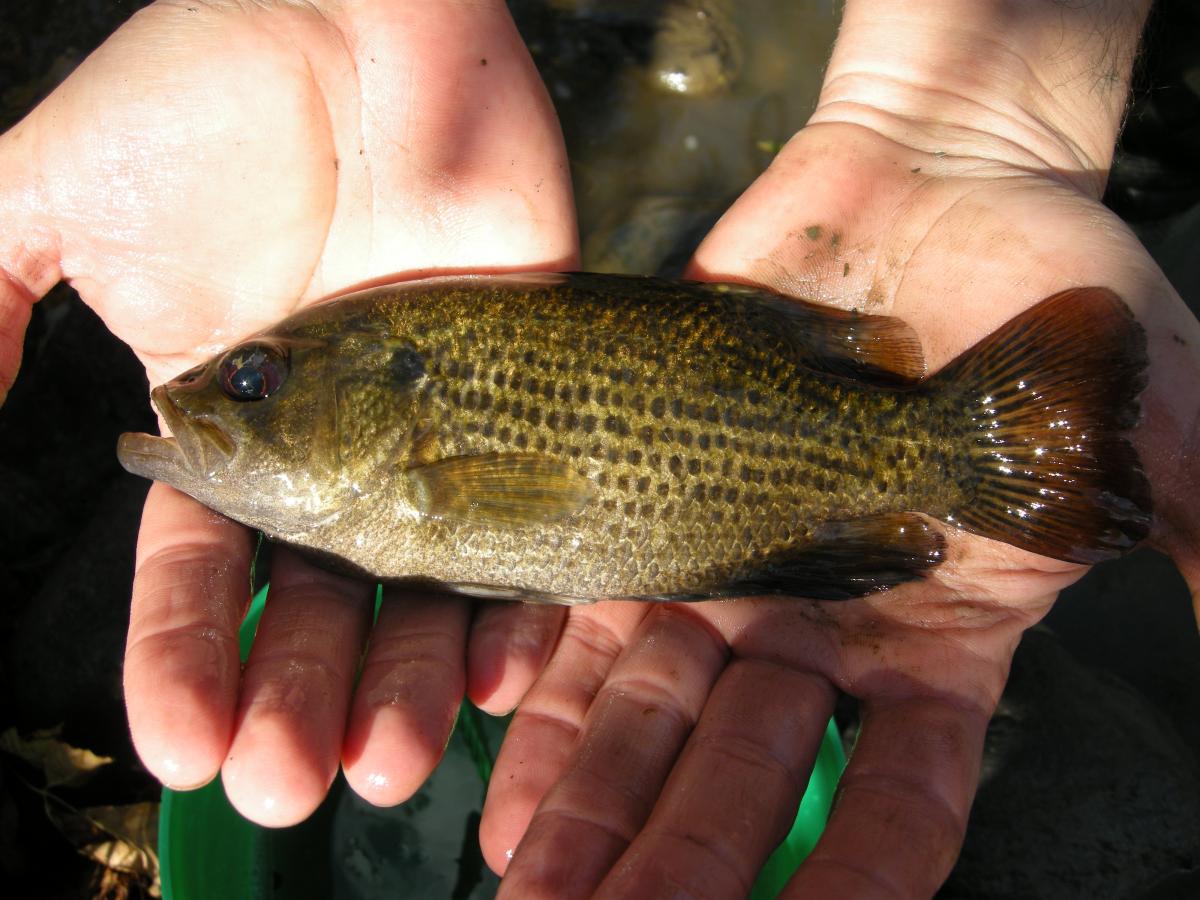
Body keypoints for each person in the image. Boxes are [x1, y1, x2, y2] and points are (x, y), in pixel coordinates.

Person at [0, 0, 1193, 897]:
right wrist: (979, 112)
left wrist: (967, 121)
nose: (223, 404)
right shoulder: (381, 434)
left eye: (255, 384)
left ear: (390, 407)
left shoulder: (407, 440)